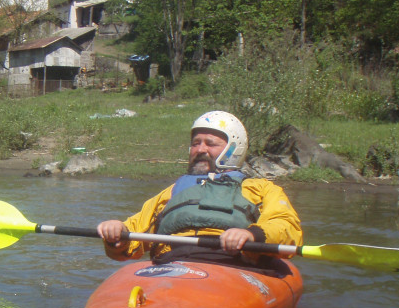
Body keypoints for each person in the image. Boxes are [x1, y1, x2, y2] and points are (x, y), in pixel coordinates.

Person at [96, 110, 302, 265]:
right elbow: (134, 234)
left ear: (233, 150)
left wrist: (251, 235)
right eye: (196, 143)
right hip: (172, 262)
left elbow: (286, 225)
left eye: (210, 144)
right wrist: (118, 233)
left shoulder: (260, 188)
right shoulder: (172, 191)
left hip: (232, 262)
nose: (200, 149)